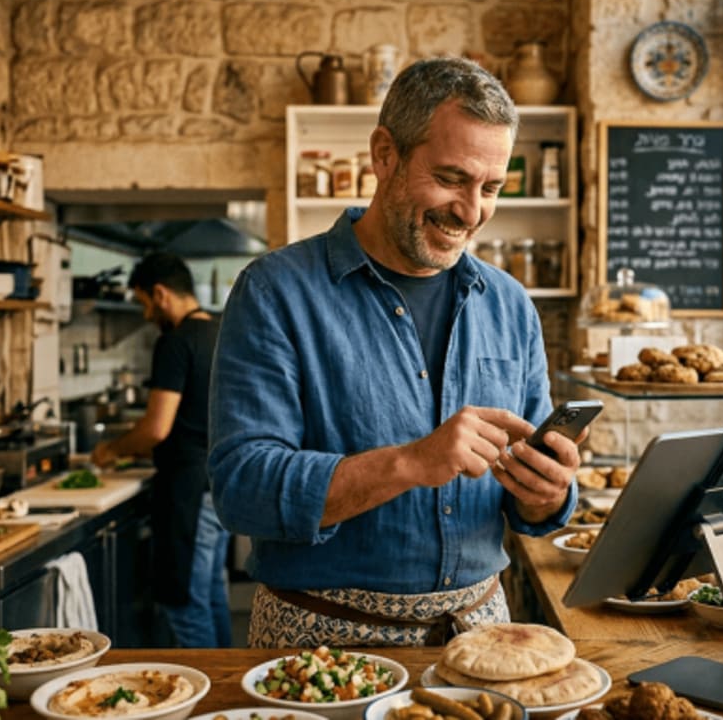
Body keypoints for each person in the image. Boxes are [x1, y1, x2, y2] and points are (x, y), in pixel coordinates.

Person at [208, 57, 580, 649]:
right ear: (385, 154)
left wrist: (549, 492)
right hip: (321, 641)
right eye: (452, 178)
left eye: (491, 188)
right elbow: (242, 488)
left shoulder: (511, 305)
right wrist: (409, 463)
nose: (472, 212)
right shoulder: (275, 290)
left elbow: (529, 505)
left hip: (480, 631)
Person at [90, 253, 230, 648]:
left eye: (144, 303)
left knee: (185, 607)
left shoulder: (176, 342)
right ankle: (231, 681)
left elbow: (156, 427)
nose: (146, 314)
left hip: (188, 491)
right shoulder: (221, 333)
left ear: (161, 294)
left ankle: (209, 686)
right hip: (219, 486)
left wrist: (111, 450)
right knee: (212, 597)